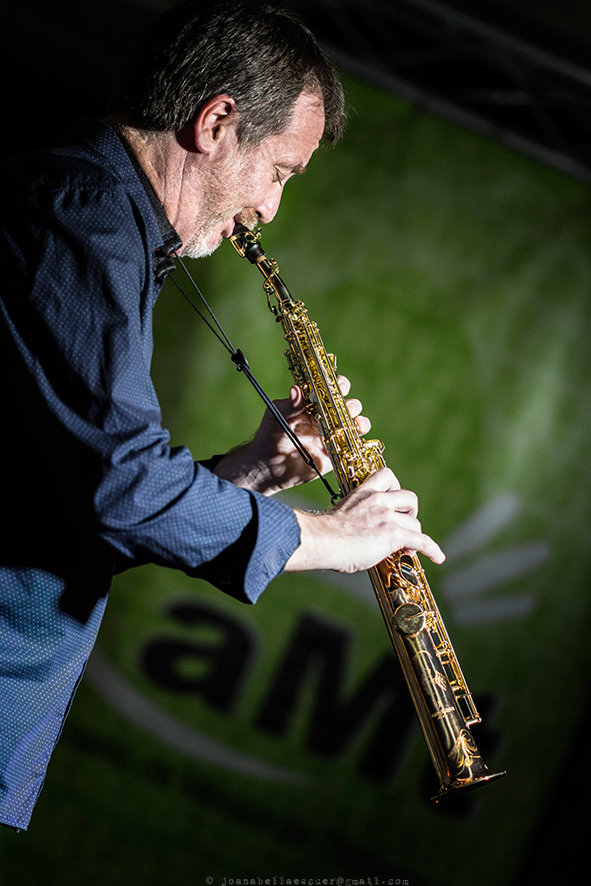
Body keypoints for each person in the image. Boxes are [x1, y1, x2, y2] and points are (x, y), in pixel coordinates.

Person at [0, 0, 444, 831]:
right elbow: (123, 491)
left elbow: (74, 512)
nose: (271, 210)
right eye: (278, 172)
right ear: (216, 122)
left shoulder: (105, 225)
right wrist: (332, 538)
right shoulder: (81, 210)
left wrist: (258, 467)